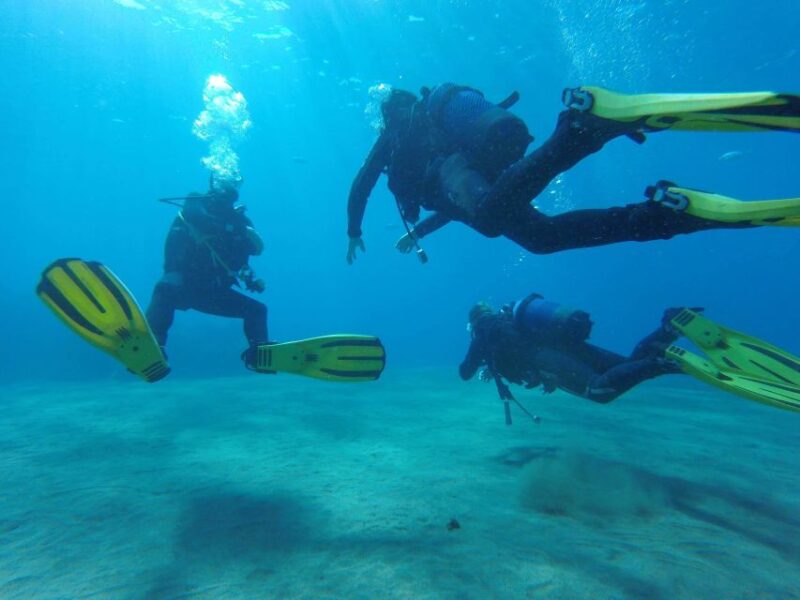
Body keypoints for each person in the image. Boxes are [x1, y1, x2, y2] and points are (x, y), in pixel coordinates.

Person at [345, 84, 800, 263]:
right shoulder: (430, 130)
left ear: (387, 116)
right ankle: (660, 217)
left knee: (489, 221)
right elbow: (466, 199)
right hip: (484, 172)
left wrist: (353, 231)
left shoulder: (394, 137)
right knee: (539, 238)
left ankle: (580, 132)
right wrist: (422, 229)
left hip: (466, 175)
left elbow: (362, 184)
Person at [458, 296, 683, 404]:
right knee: (626, 365)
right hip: (565, 346)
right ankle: (668, 329)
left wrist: (476, 355)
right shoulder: (509, 320)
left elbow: (465, 372)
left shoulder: (483, 331)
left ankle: (657, 364)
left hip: (546, 358)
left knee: (599, 390)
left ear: (473, 322)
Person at [146, 178, 268, 369]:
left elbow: (245, 256)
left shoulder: (240, 220)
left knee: (257, 310)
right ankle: (152, 347)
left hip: (212, 292)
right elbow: (197, 219)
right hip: (183, 285)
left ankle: (261, 354)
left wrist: (250, 279)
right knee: (164, 290)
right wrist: (238, 229)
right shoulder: (196, 202)